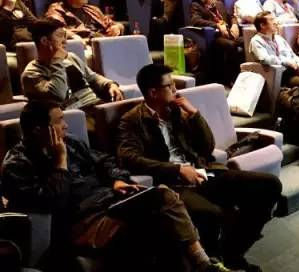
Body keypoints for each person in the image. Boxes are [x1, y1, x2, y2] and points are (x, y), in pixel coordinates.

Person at [1, 101, 229, 272]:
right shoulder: (17, 164)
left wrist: (116, 179)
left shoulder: (70, 144)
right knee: (158, 220)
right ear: (40, 130)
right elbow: (52, 203)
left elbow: (105, 160)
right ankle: (203, 265)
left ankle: (203, 265)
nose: (66, 125)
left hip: (108, 202)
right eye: (59, 121)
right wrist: (60, 164)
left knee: (164, 198)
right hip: (80, 220)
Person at [21, 19, 124, 131]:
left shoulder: (71, 57)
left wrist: (110, 84)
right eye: (60, 36)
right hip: (74, 115)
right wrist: (57, 61)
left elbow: (92, 77)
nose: (65, 41)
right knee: (115, 129)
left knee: (130, 118)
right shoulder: (32, 73)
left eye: (65, 36)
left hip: (96, 105)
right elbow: (58, 94)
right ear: (45, 41)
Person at [249, 12, 299, 94]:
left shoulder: (279, 38)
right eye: (272, 20)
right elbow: (266, 59)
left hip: (294, 70)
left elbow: (293, 55)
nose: (276, 22)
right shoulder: (256, 41)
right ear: (262, 25)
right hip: (279, 75)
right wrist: (287, 62)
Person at [190, 0, 242, 86]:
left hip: (230, 33)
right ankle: (230, 79)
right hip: (215, 36)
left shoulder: (219, 4)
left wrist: (235, 24)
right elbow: (196, 20)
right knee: (230, 46)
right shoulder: (196, 6)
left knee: (246, 41)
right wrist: (217, 25)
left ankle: (245, 75)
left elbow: (231, 16)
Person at [46, 0, 124, 39]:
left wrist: (117, 27)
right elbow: (55, 29)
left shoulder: (93, 9)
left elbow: (111, 23)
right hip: (82, 46)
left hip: (103, 43)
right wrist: (77, 35)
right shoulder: (57, 9)